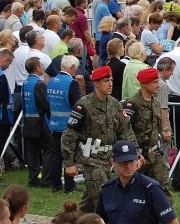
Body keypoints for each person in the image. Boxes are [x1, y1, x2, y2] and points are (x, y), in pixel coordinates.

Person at [61, 66, 138, 213]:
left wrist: (135, 154)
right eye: (105, 81)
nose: (110, 84)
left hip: (109, 158)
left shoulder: (114, 103)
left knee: (90, 201)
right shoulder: (84, 105)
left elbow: (125, 131)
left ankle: (70, 220)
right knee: (105, 197)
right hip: (91, 159)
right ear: (96, 83)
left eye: (111, 80)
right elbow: (69, 135)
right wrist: (69, 163)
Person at [95, 140, 178, 224]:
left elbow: (171, 221)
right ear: (113, 162)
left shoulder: (151, 188)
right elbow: (99, 221)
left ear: (137, 160)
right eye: (123, 162)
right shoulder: (107, 190)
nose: (128, 165)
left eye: (131, 161)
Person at [122, 68, 170, 196]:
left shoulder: (155, 101)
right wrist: (136, 154)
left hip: (155, 153)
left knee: (162, 187)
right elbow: (126, 130)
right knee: (136, 190)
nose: (158, 85)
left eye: (158, 81)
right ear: (144, 84)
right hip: (139, 156)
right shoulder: (132, 104)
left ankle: (166, 215)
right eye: (154, 82)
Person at [47, 55, 83, 193]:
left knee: (56, 155)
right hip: (69, 125)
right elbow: (77, 104)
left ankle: (55, 185)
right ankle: (69, 186)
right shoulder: (71, 82)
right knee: (70, 155)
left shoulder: (51, 81)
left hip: (54, 123)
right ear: (73, 67)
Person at [20, 57, 54, 188]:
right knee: (49, 150)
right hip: (40, 122)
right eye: (41, 65)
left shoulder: (25, 83)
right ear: (37, 68)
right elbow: (45, 103)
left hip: (28, 122)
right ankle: (46, 180)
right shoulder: (39, 84)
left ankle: (33, 179)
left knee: (32, 152)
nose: (43, 67)